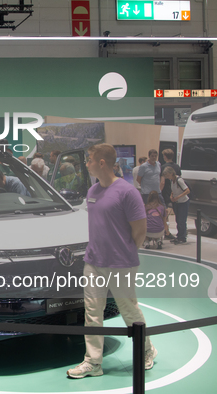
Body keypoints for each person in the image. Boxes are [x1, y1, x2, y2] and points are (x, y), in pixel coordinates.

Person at [67, 143, 157, 379]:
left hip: (121, 264)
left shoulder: (128, 192)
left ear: (101, 162)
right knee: (92, 313)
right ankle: (93, 363)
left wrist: (123, 252)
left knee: (129, 311)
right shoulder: (92, 192)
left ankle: (148, 349)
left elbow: (140, 230)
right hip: (93, 262)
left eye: (89, 159)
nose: (86, 164)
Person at [163, 166, 190, 245]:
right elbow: (173, 190)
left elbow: (187, 190)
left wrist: (178, 197)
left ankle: (182, 237)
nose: (167, 177)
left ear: (172, 173)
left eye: (168, 175)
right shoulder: (172, 181)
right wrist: (172, 196)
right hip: (177, 203)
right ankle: (179, 236)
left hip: (183, 202)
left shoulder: (179, 180)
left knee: (181, 220)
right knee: (177, 220)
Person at [160, 149, 181, 241]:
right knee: (177, 213)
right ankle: (180, 232)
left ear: (165, 156)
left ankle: (167, 231)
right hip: (175, 192)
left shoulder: (163, 166)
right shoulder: (177, 167)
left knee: (165, 213)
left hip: (165, 192)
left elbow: (162, 182)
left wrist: (159, 192)